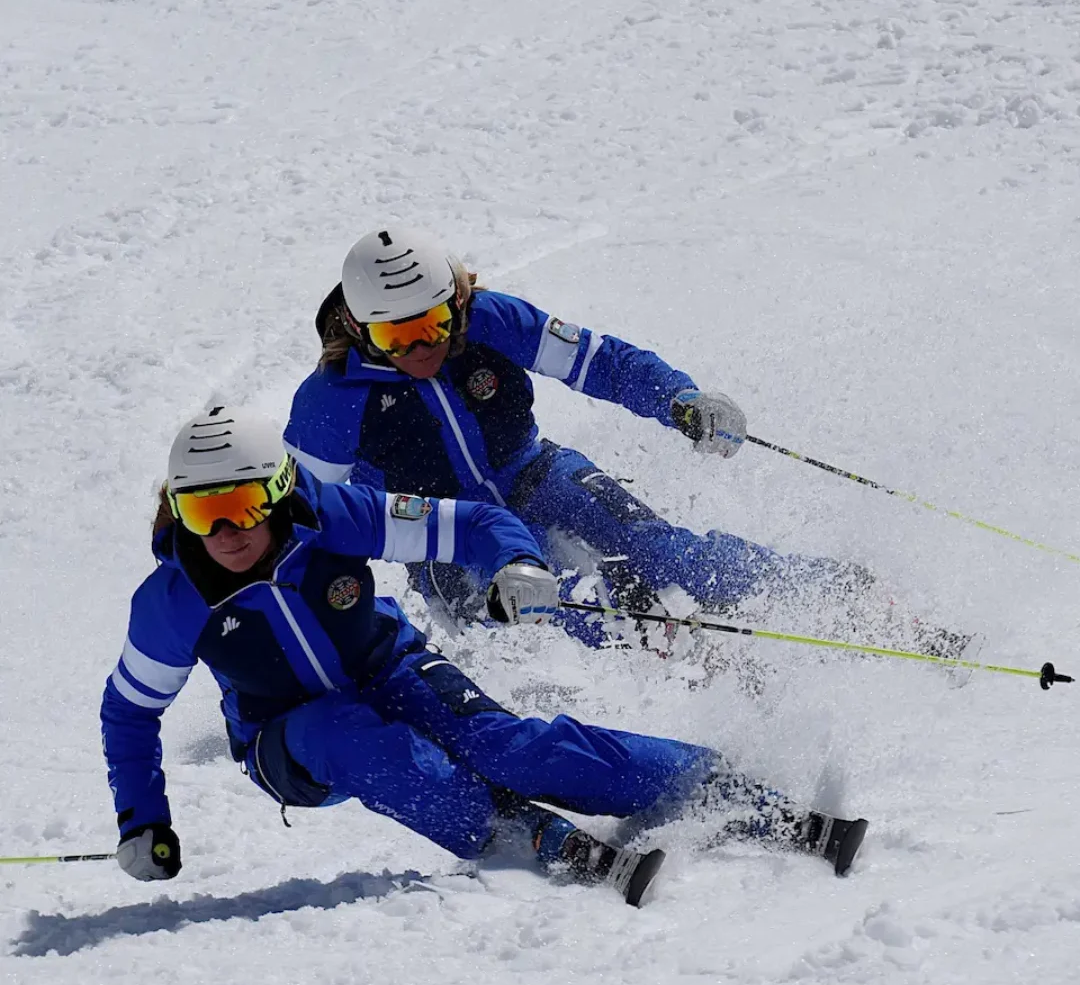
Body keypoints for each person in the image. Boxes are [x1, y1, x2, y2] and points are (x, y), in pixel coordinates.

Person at [101, 406, 868, 906]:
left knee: (507, 745)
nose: (225, 531)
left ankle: (721, 787)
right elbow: (130, 713)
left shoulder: (334, 516)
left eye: (240, 506)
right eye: (203, 511)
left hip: (386, 663)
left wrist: (514, 564)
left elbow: (463, 525)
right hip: (287, 739)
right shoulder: (172, 602)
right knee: (354, 737)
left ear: (278, 491)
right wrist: (142, 821)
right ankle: (511, 832)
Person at [283, 226, 969, 661]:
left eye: (432, 323)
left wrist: (680, 401)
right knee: (573, 611)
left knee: (670, 558)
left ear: (456, 302)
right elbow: (302, 520)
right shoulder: (333, 400)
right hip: (447, 537)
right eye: (396, 338)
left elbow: (597, 362)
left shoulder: (492, 322)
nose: (423, 348)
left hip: (537, 475)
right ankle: (716, 667)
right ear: (361, 327)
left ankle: (851, 598)